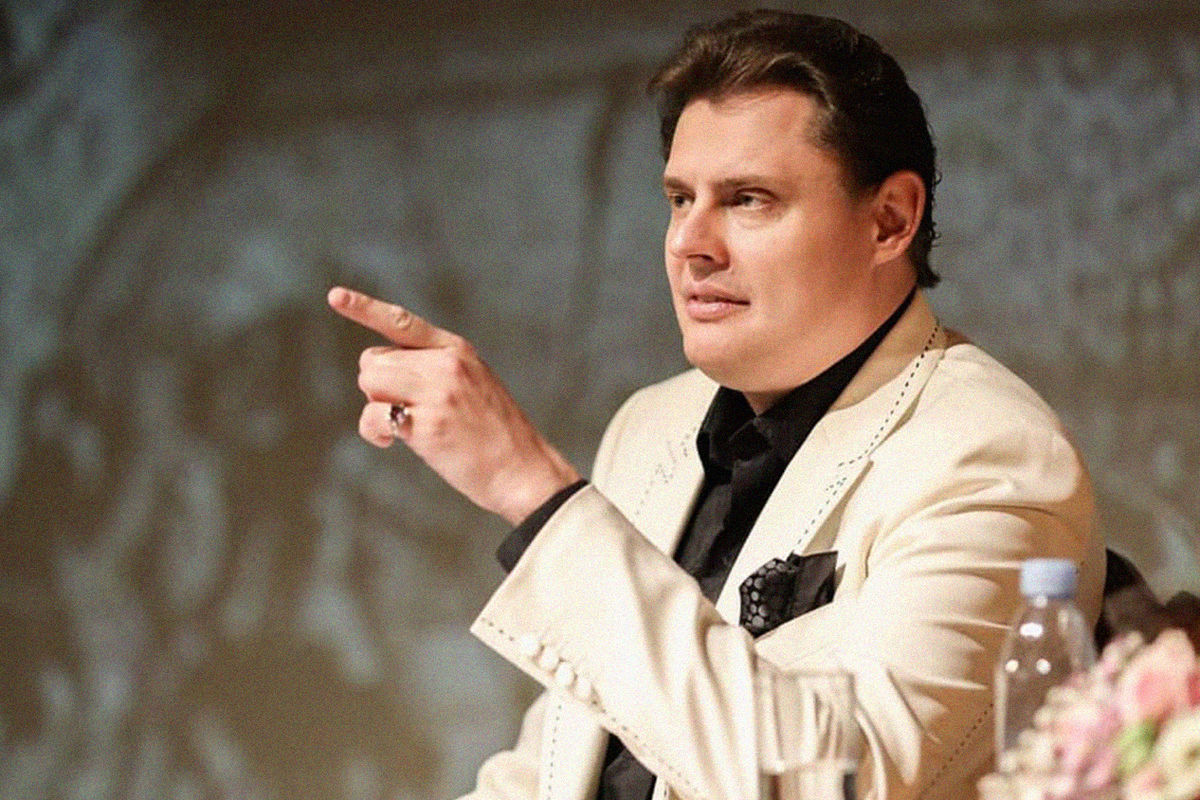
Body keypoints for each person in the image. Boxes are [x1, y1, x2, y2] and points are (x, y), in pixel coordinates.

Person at [328, 10, 1105, 800]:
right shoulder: (649, 425)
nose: (688, 242)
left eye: (748, 199)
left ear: (889, 220)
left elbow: (842, 778)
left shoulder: (991, 455)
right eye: (679, 198)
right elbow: (549, 771)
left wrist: (530, 490)